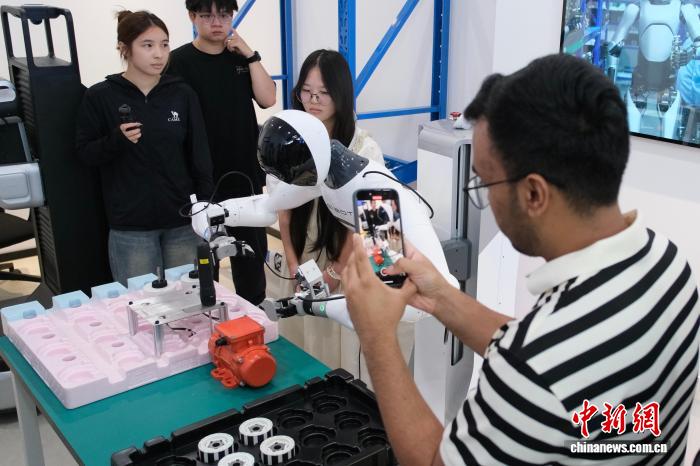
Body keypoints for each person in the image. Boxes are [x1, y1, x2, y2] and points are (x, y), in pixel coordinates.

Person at [342, 54, 700, 465]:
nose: (484, 197)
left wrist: (377, 338)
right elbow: (544, 352)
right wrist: (440, 296)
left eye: (484, 181)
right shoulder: (669, 266)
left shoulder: (534, 372)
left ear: (533, 194)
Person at [76, 10, 213, 286]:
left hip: (182, 220)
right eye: (147, 45)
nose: (159, 54)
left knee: (188, 296)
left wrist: (204, 206)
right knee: (139, 301)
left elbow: (200, 155)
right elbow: (85, 153)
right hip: (131, 226)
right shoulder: (100, 96)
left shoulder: (182, 94)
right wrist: (117, 140)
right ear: (124, 48)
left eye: (164, 44)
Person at [276, 49, 385, 370]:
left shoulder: (363, 149)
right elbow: (283, 210)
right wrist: (294, 265)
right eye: (306, 91)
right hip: (304, 253)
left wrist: (334, 273)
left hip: (348, 260)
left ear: (341, 94)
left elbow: (372, 227)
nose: (313, 100)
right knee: (302, 345)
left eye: (323, 92)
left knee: (341, 353)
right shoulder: (290, 139)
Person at [167, 0, 276, 305]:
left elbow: (268, 99)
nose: (216, 22)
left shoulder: (240, 58)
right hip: (201, 179)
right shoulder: (178, 62)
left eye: (224, 15)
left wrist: (251, 55)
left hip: (244, 175)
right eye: (207, 15)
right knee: (205, 266)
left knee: (251, 265)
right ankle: (209, 319)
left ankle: (254, 317)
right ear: (192, 16)